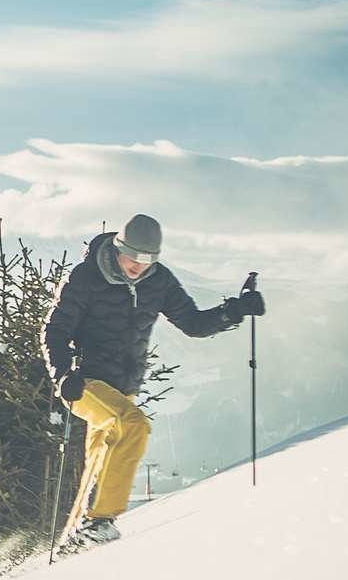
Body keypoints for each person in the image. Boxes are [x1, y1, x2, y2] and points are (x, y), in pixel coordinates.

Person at [42, 214, 265, 550]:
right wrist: (62, 375)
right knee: (133, 425)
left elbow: (192, 323)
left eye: (147, 260)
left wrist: (232, 312)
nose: (138, 266)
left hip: (125, 386)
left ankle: (75, 540)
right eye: (132, 257)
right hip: (84, 382)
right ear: (119, 249)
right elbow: (54, 331)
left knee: (100, 460)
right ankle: (101, 521)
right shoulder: (85, 278)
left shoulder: (159, 281)